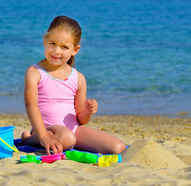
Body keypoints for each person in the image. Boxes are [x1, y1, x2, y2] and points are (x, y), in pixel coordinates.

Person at [21, 15, 125, 155]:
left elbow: (81, 119)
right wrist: (44, 136)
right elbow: (30, 105)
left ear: (75, 50)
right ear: (45, 41)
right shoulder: (35, 72)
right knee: (67, 138)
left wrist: (88, 111)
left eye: (64, 47)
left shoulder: (78, 78)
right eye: (52, 43)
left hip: (74, 130)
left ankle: (57, 140)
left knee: (117, 148)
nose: (57, 51)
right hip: (46, 130)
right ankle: (29, 139)